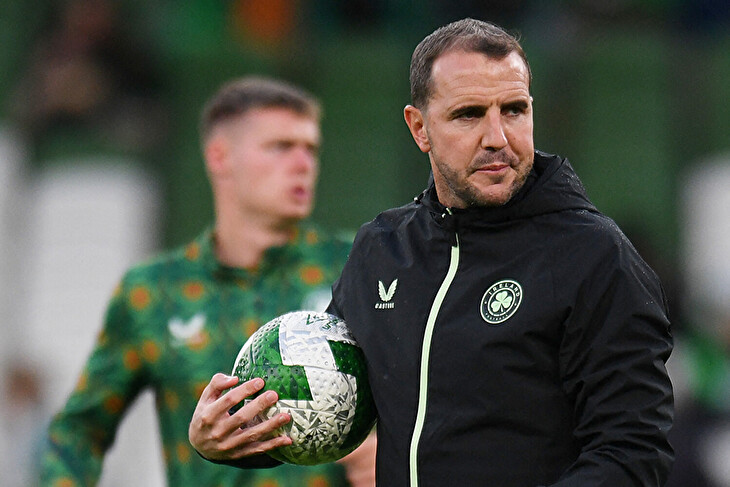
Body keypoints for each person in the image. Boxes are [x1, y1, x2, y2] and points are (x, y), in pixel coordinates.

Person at [189, 19, 674, 486]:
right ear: (419, 128)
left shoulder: (594, 256)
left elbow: (633, 452)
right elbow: (330, 408)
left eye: (513, 110)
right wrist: (234, 434)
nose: (497, 138)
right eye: (469, 115)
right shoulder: (382, 249)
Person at [40, 76, 375, 487]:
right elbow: (78, 432)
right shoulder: (153, 291)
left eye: (311, 149)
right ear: (220, 157)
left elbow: (426, 395)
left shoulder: (360, 263)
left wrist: (388, 444)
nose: (303, 164)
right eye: (281, 147)